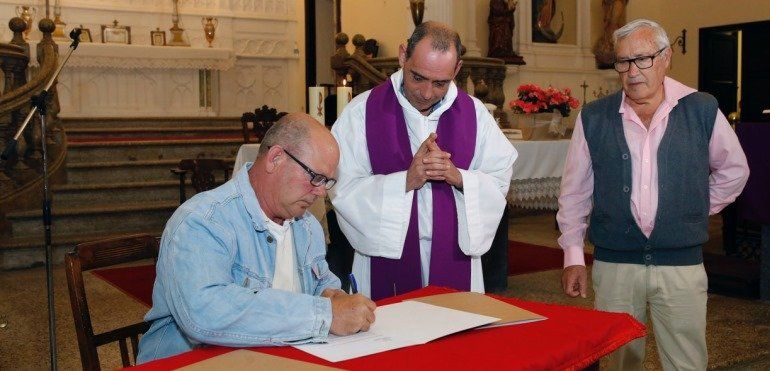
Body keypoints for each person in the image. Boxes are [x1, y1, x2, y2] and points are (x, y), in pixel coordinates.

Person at [557, 19, 749, 370]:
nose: (631, 71)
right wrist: (572, 255)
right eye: (623, 61)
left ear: (666, 57)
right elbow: (574, 191)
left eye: (642, 59)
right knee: (618, 361)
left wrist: (694, 207)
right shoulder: (595, 117)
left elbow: (734, 170)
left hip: (681, 265)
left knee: (686, 361)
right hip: (615, 264)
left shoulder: (701, 109)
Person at [137, 113, 376, 363]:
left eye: (327, 182)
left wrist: (332, 295)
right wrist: (324, 314)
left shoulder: (306, 226)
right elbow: (205, 312)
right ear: (275, 159)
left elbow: (320, 284)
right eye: (315, 177)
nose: (319, 192)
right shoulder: (202, 221)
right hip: (189, 362)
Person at [330, 22, 516, 301]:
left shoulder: (475, 115)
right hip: (387, 253)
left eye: (440, 83)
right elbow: (342, 189)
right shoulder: (362, 113)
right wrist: (404, 181)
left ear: (457, 69)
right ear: (404, 55)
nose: (427, 93)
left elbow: (499, 177)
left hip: (454, 255)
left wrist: (459, 177)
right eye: (418, 78)